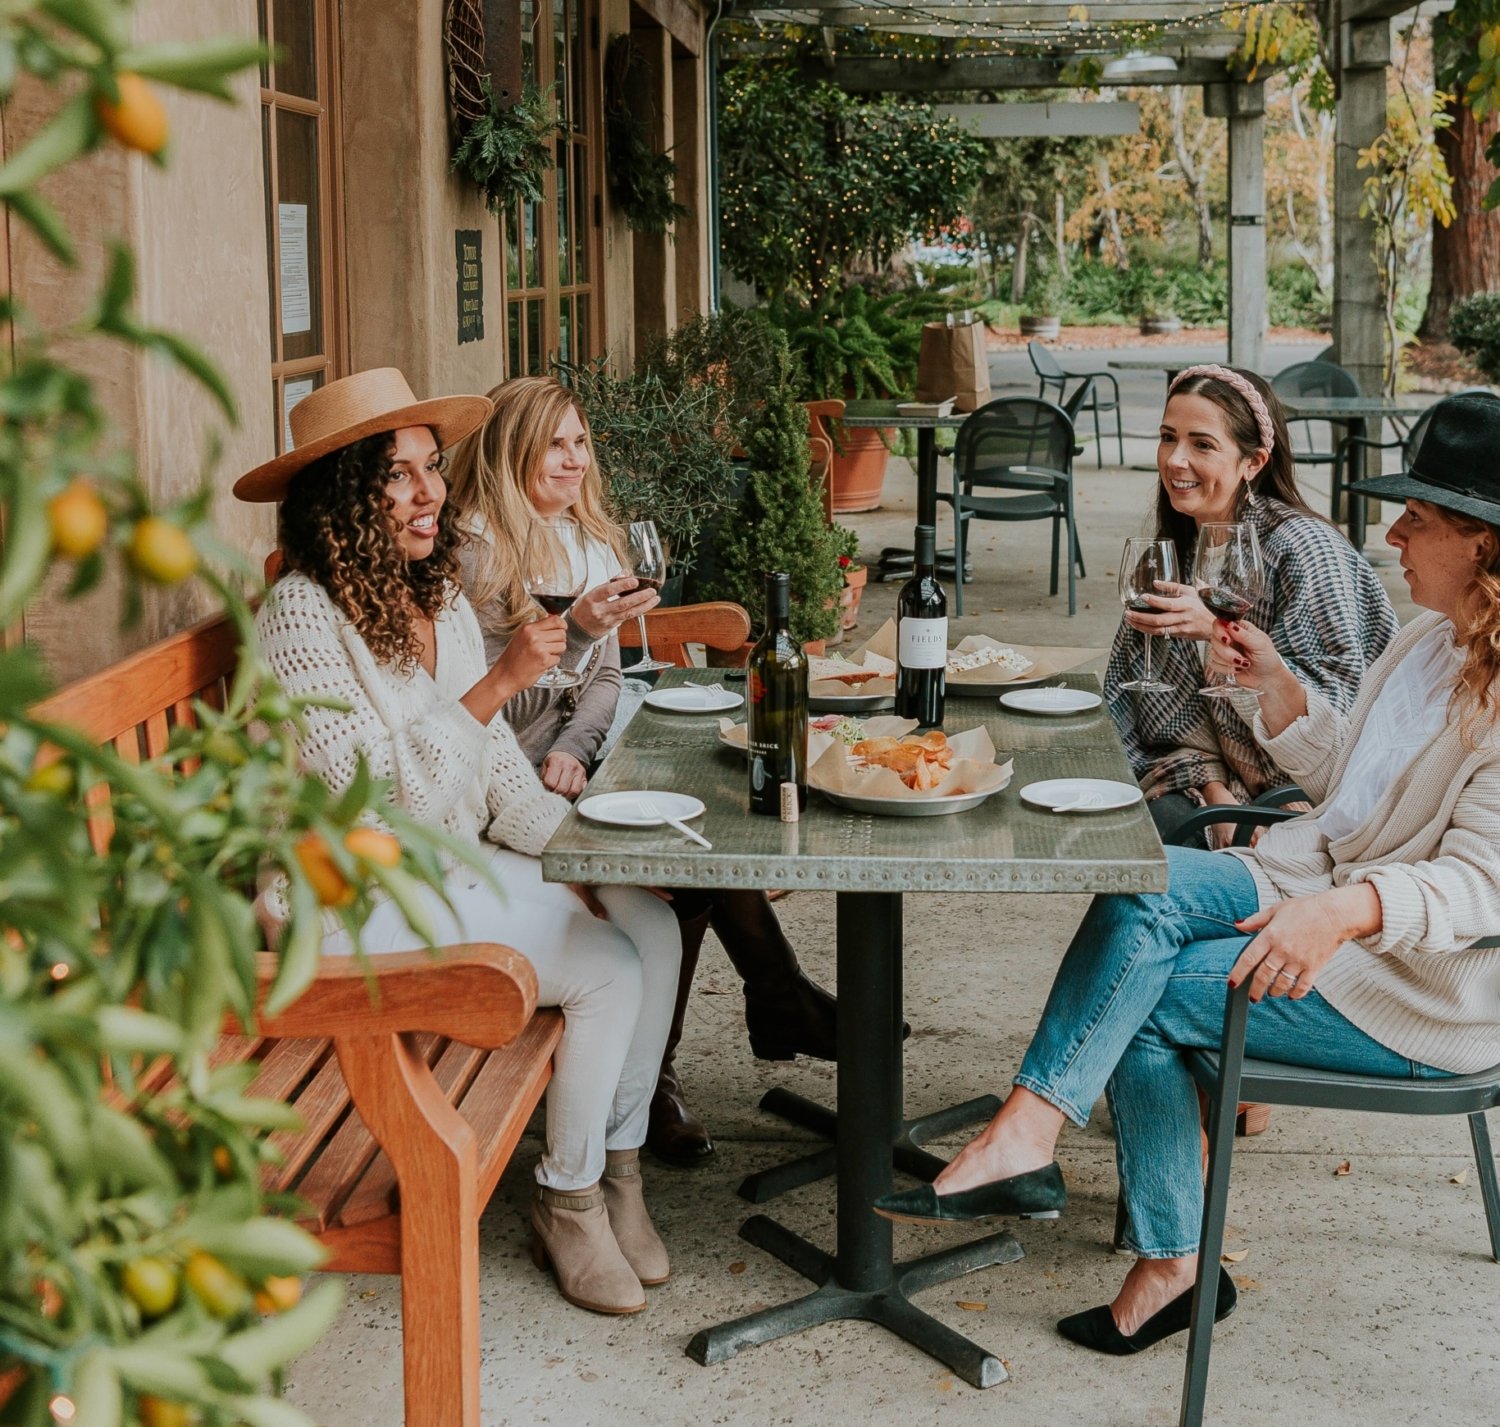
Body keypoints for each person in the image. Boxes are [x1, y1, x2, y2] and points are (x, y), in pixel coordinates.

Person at [875, 393, 1500, 1356]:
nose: (1393, 531)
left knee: (1149, 990)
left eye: (1418, 516)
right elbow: (1353, 794)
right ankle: (1032, 1137)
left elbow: (1481, 887)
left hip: (1409, 986)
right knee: (1141, 877)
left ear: (1484, 546)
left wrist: (1348, 909)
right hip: (1315, 876)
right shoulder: (1427, 644)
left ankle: (1169, 1256)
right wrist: (1278, 690)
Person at [235, 368, 681, 1318]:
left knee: (648, 918)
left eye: (432, 468)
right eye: (399, 475)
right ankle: (567, 1198)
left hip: (442, 868)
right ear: (347, 496)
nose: (432, 491)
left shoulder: (432, 598)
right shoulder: (301, 618)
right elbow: (363, 803)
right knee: (606, 965)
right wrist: (490, 690)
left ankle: (619, 1169)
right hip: (349, 897)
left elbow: (493, 775)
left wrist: (579, 858)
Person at [445, 374, 838, 1168]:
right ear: (509, 449)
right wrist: (577, 641)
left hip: (570, 761)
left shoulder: (591, 537)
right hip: (505, 779)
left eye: (580, 442)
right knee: (686, 865)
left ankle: (756, 1009)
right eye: (554, 444)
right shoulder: (476, 552)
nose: (574, 461)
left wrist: (578, 744)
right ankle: (708, 1043)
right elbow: (491, 710)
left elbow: (607, 679)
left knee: (704, 808)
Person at [1110, 364, 1397, 848]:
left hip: (1316, 795)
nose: (1175, 460)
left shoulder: (1304, 548)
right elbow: (1141, 709)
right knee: (1129, 828)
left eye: (1202, 444)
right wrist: (1217, 795)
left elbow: (1338, 715)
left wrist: (1216, 633)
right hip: (1210, 782)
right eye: (1167, 437)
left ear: (1253, 462)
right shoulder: (1174, 551)